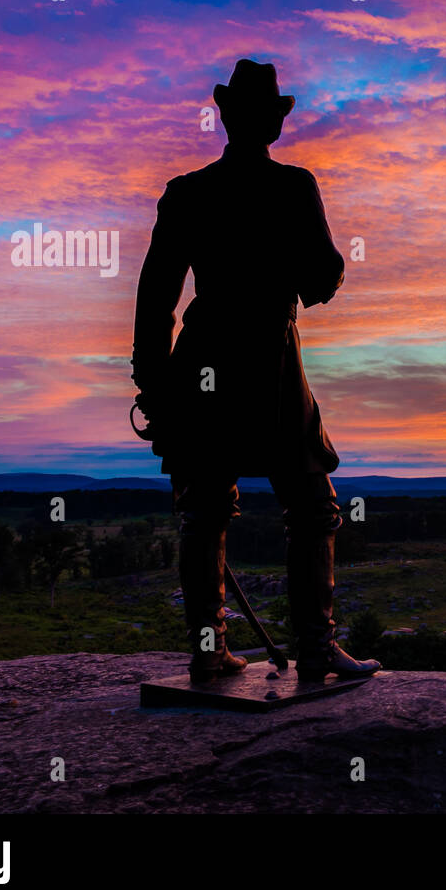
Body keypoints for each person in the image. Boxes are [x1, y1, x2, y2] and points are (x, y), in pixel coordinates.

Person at [130, 58, 381, 684]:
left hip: (205, 358)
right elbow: (324, 277)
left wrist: (154, 382)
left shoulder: (188, 193)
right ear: (270, 122)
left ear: (224, 116)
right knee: (311, 502)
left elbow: (156, 297)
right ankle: (316, 649)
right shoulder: (294, 187)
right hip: (269, 355)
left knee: (206, 506)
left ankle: (208, 652)